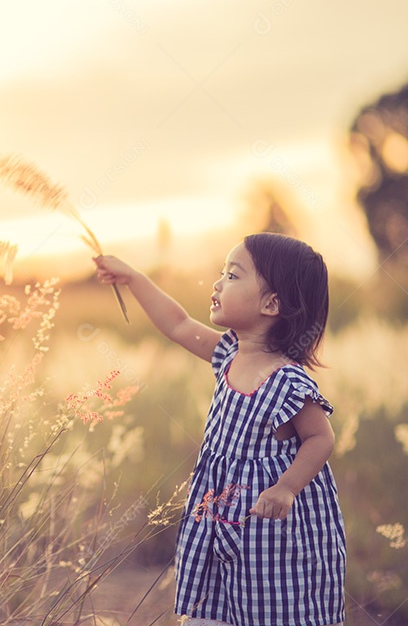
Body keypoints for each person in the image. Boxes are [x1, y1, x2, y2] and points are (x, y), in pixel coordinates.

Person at [94, 233, 346, 626]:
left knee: (270, 609)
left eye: (232, 275)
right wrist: (133, 277)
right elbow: (177, 323)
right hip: (219, 516)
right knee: (214, 605)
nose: (217, 283)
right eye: (222, 272)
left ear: (271, 304)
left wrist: (286, 487)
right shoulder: (229, 353)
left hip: (269, 529)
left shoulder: (287, 381)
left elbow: (320, 438)